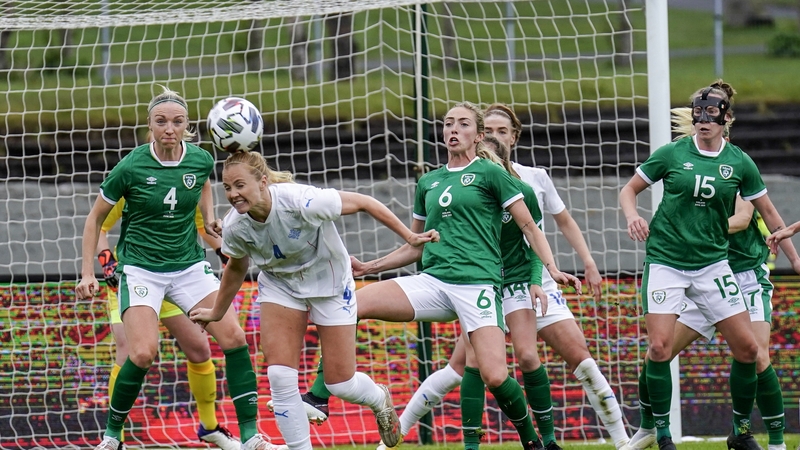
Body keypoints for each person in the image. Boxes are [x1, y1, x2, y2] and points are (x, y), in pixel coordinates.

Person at [75, 86, 281, 450]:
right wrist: (88, 272)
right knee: (141, 353)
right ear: (150, 126)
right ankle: (112, 436)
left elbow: (203, 184)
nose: (169, 128)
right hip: (141, 270)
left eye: (177, 121)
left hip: (187, 267)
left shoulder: (201, 159)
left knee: (233, 339)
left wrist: (210, 218)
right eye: (161, 121)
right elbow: (95, 220)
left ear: (187, 126)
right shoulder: (132, 166)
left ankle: (250, 436)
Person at [188, 151, 438, 450]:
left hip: (330, 284)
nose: (233, 194)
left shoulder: (300, 201)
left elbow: (364, 202)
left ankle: (377, 398)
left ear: (263, 182)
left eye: (240, 185)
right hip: (281, 287)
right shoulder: (235, 226)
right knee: (280, 378)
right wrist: (217, 311)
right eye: (227, 187)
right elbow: (237, 267)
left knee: (339, 383)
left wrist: (409, 236)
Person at [619, 80, 794, 450]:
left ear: (726, 118)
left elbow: (767, 214)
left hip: (716, 267)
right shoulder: (671, 154)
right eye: (697, 112)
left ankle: (742, 433)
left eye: (711, 113)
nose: (702, 119)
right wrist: (633, 216)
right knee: (660, 348)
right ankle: (660, 434)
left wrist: (795, 258)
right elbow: (629, 189)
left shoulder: (739, 162)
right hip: (667, 261)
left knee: (749, 351)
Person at [97, 199, 237, 450]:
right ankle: (115, 439)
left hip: (175, 276)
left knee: (199, 349)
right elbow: (99, 225)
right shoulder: (131, 180)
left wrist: (223, 253)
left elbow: (202, 226)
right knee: (130, 353)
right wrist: (107, 262)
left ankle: (209, 427)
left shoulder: (186, 181)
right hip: (134, 278)